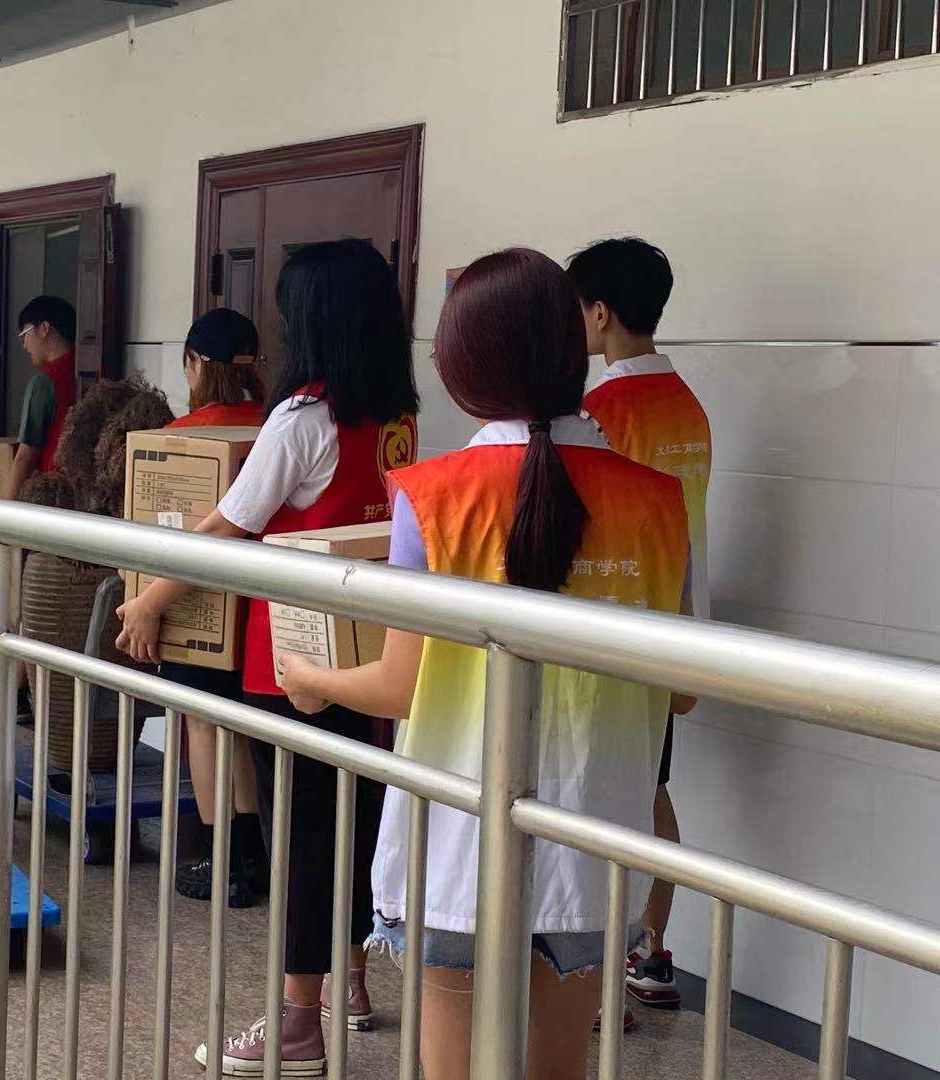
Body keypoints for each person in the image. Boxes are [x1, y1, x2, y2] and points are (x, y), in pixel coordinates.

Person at [278, 247, 692, 1080]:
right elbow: (680, 695)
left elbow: (400, 686)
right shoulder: (656, 499)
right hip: (594, 837)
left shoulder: (432, 494)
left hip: (459, 842)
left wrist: (309, 682)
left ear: (464, 365)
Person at [117, 240, 419, 1075]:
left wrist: (149, 599)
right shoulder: (396, 417)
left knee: (305, 835)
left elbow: (226, 528)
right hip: (370, 651)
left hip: (294, 662)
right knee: (351, 821)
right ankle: (350, 981)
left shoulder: (304, 418)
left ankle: (295, 1023)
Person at [569, 237, 711, 1014]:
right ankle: (651, 949)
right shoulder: (688, 403)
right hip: (674, 624)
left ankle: (598, 970)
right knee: (651, 790)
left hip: (613, 630)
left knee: (608, 802)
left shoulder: (601, 412)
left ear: (599, 312)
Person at [164, 308, 269, 908]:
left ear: (197, 364)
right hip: (258, 606)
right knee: (242, 728)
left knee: (201, 723)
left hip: (196, 599)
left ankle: (216, 855)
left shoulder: (180, 434)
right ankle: (253, 853)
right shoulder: (271, 425)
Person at [5, 295, 77, 500]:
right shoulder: (88, 372)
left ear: (44, 328)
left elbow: (25, 457)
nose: (24, 344)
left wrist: (7, 509)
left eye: (24, 334)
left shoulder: (43, 382)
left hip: (51, 494)